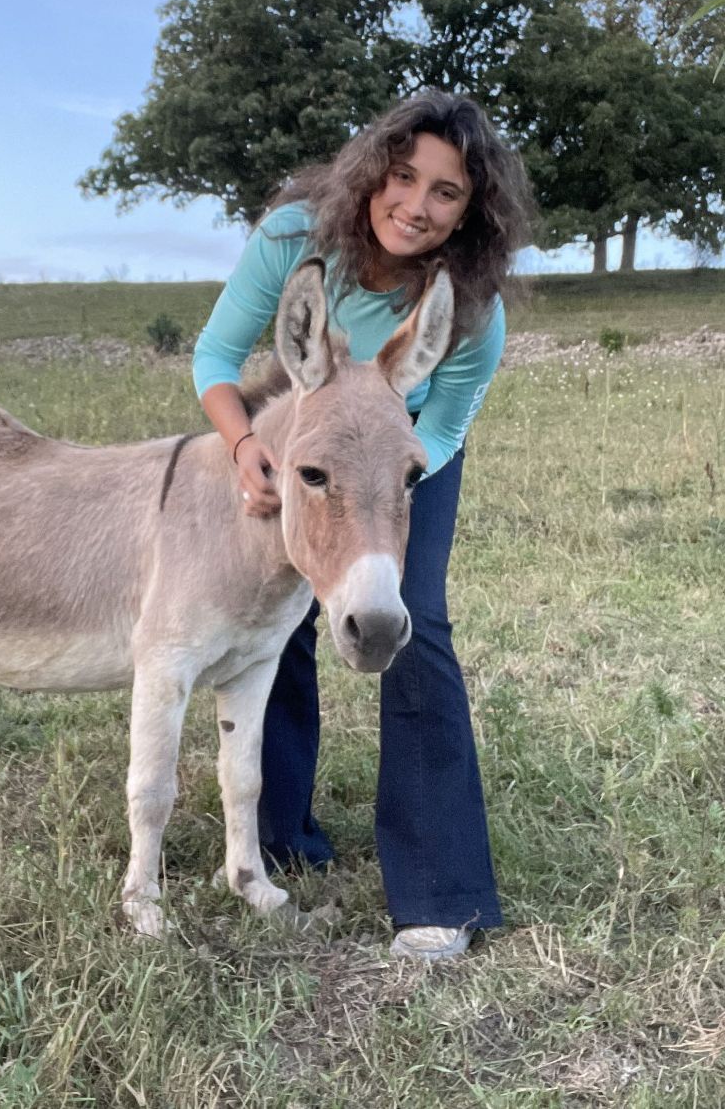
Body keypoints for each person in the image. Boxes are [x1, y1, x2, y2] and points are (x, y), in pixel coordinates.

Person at [192, 89, 533, 960]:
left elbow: (445, 426)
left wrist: (391, 487)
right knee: (282, 617)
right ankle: (276, 839)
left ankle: (439, 892)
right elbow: (216, 358)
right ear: (372, 170)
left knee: (414, 626)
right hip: (294, 445)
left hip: (399, 458)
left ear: (471, 211)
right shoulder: (290, 240)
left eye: (445, 193)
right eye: (403, 175)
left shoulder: (473, 310)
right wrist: (243, 451)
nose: (414, 206)